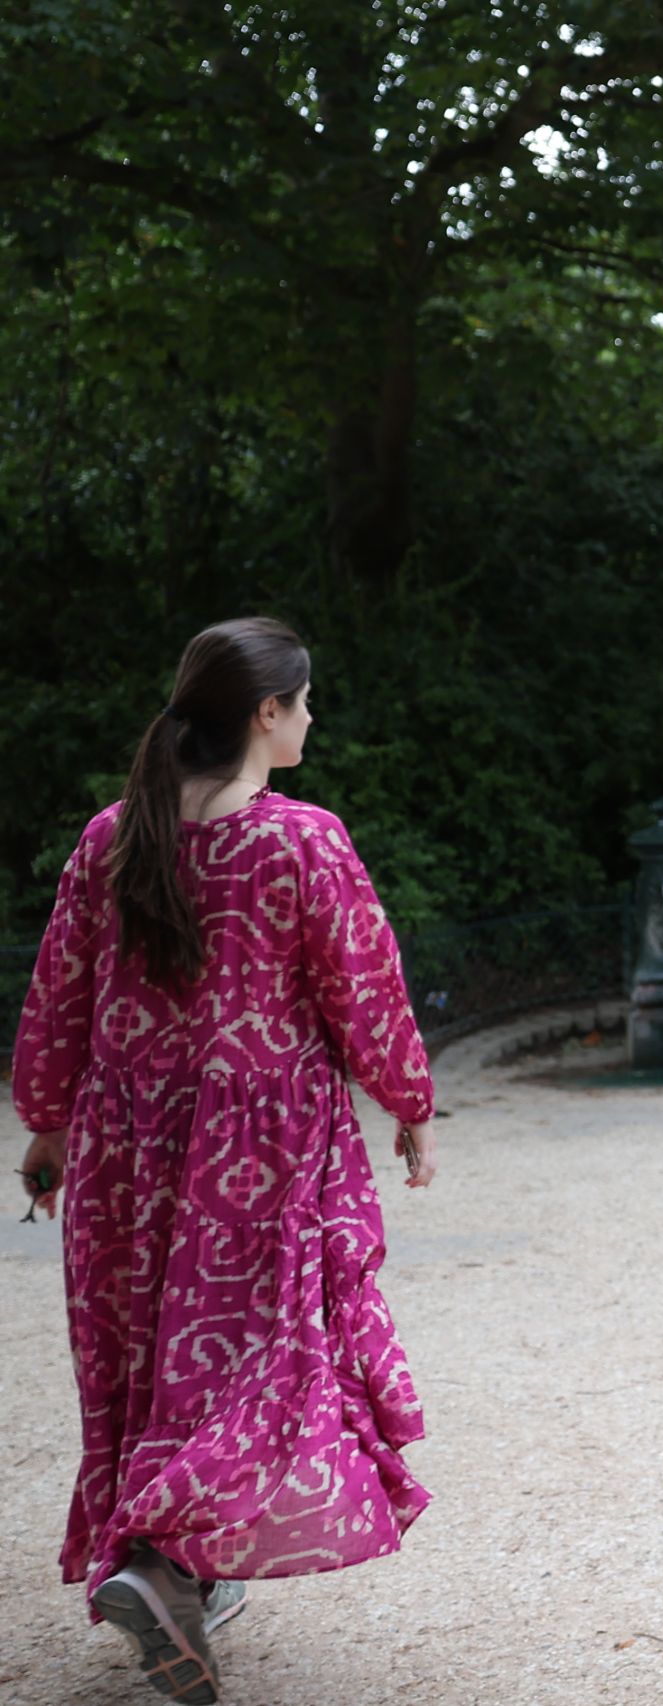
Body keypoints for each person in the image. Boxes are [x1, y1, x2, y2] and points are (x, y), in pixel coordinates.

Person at [13, 617, 440, 1706]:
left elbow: (60, 989)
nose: (311, 717)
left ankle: (177, 1574)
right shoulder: (302, 839)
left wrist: (49, 1124)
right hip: (257, 1147)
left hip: (121, 1145)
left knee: (149, 1362)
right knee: (268, 1365)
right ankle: (156, 1561)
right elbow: (362, 982)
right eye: (303, 701)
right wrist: (409, 1101)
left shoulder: (115, 834)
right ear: (265, 712)